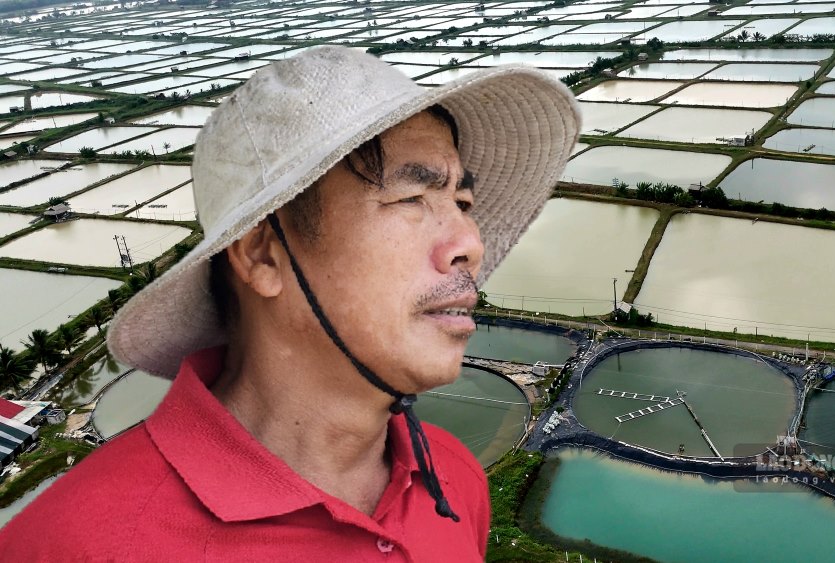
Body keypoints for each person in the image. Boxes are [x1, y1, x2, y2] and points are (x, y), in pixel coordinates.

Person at [0, 46, 580, 560]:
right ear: (263, 256)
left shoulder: (452, 479)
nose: (470, 245)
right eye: (411, 197)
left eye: (463, 201)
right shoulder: (70, 545)